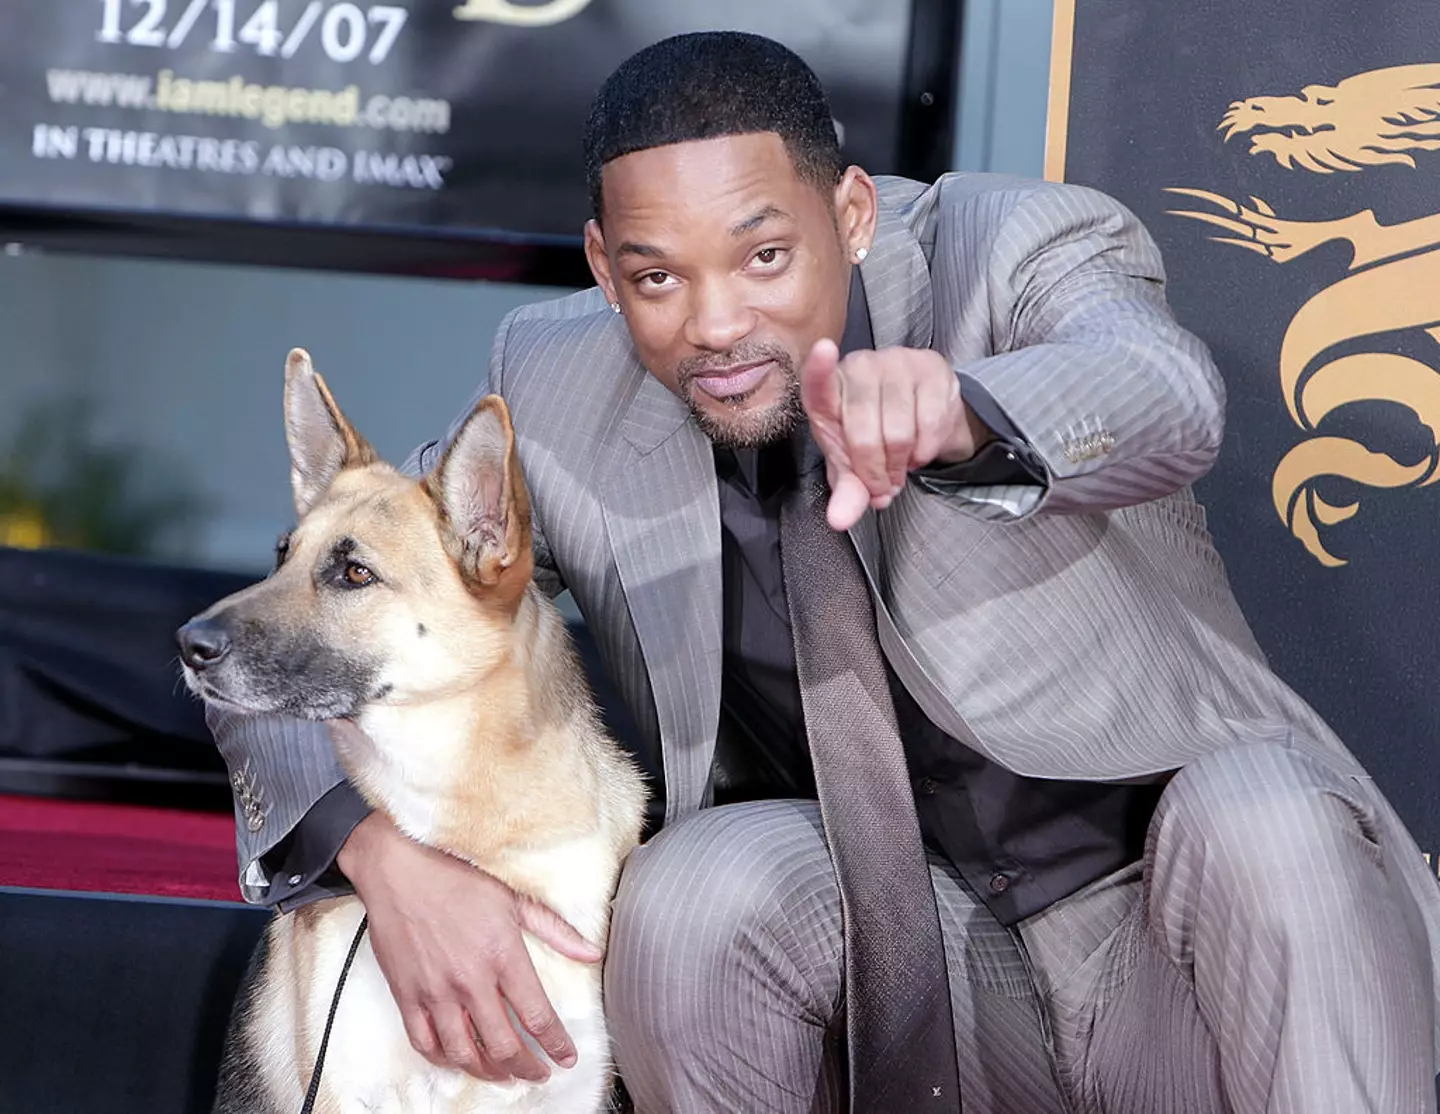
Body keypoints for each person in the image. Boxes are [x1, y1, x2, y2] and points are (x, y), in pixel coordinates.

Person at [207, 30, 1440, 1114]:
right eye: (654, 278)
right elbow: (342, 597)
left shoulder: (1007, 249)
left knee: (1263, 811)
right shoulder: (556, 382)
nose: (715, 323)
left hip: (1175, 936)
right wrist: (382, 859)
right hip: (910, 976)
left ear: (852, 213)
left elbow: (1164, 393)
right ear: (600, 265)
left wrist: (970, 411)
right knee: (692, 896)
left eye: (762, 257)